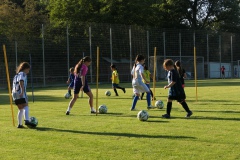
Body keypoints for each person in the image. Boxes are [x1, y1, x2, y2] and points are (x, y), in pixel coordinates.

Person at [12, 62, 35, 128]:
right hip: (20, 92)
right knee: (26, 106)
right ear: (25, 68)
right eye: (28, 70)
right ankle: (27, 120)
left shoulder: (16, 75)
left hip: (14, 93)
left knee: (21, 109)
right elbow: (21, 81)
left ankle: (19, 124)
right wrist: (22, 91)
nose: (28, 71)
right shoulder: (22, 74)